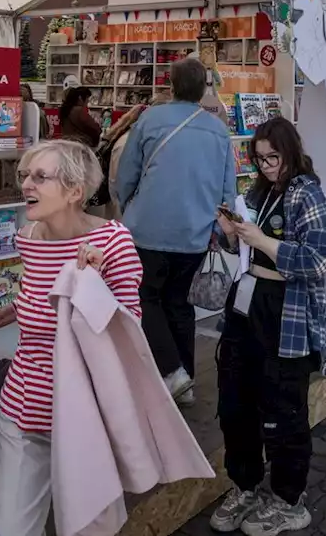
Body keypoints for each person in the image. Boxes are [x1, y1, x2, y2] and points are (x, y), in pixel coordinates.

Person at [0, 139, 144, 536]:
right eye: (25, 175)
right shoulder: (29, 236)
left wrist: (94, 284)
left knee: (88, 528)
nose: (27, 184)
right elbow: (34, 300)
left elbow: (129, 330)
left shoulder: (113, 243)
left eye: (40, 177)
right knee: (12, 528)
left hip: (85, 414)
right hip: (23, 406)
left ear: (75, 191)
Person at [208, 118, 326, 535]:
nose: (265, 166)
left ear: (290, 152)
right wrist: (232, 235)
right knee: (236, 403)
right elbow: (247, 250)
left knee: (284, 410)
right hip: (245, 309)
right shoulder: (259, 191)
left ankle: (288, 498)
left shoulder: (307, 194)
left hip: (287, 315)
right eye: (259, 159)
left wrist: (261, 240)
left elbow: (318, 260)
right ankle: (244, 484)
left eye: (272, 158)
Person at [118, 57, 236, 402]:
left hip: (148, 228)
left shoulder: (150, 119)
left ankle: (172, 371)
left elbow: (127, 172)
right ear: (204, 89)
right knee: (179, 303)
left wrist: (127, 206)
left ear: (171, 85)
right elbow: (227, 188)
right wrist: (218, 225)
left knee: (145, 297)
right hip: (195, 232)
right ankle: (184, 379)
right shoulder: (218, 129)